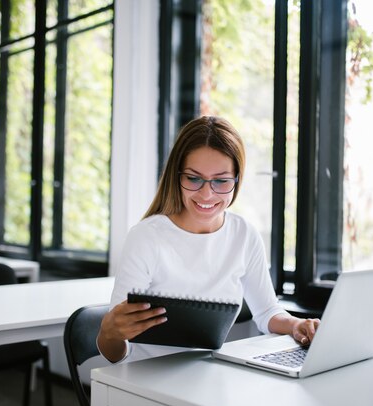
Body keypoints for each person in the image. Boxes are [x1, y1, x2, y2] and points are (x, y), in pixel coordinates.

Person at [97, 115, 320, 363]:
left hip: (209, 374)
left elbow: (267, 312)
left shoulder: (244, 235)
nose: (206, 193)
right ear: (177, 176)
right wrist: (109, 332)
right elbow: (114, 354)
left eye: (221, 181)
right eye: (193, 178)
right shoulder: (146, 238)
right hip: (145, 379)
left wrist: (296, 324)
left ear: (237, 180)